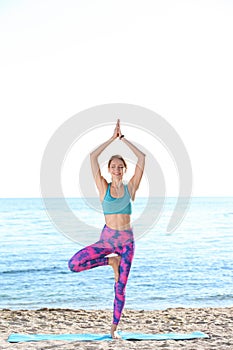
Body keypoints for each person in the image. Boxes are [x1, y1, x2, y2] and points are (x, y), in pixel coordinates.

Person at [68, 119, 145, 338]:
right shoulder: (103, 187)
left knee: (120, 288)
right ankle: (110, 261)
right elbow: (92, 157)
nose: (117, 169)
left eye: (120, 167)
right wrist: (112, 139)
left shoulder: (132, 187)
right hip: (108, 240)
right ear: (109, 170)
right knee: (73, 264)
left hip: (127, 243)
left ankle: (113, 330)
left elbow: (142, 158)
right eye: (113, 167)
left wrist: (124, 140)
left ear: (124, 169)